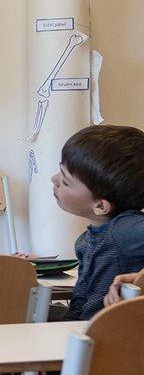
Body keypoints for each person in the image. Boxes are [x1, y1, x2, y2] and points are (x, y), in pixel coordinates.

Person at [48, 124, 144, 319]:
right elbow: (80, 303)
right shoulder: (86, 241)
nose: (54, 179)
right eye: (60, 170)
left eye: (66, 181)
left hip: (113, 333)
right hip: (87, 326)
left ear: (100, 206)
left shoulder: (125, 230)